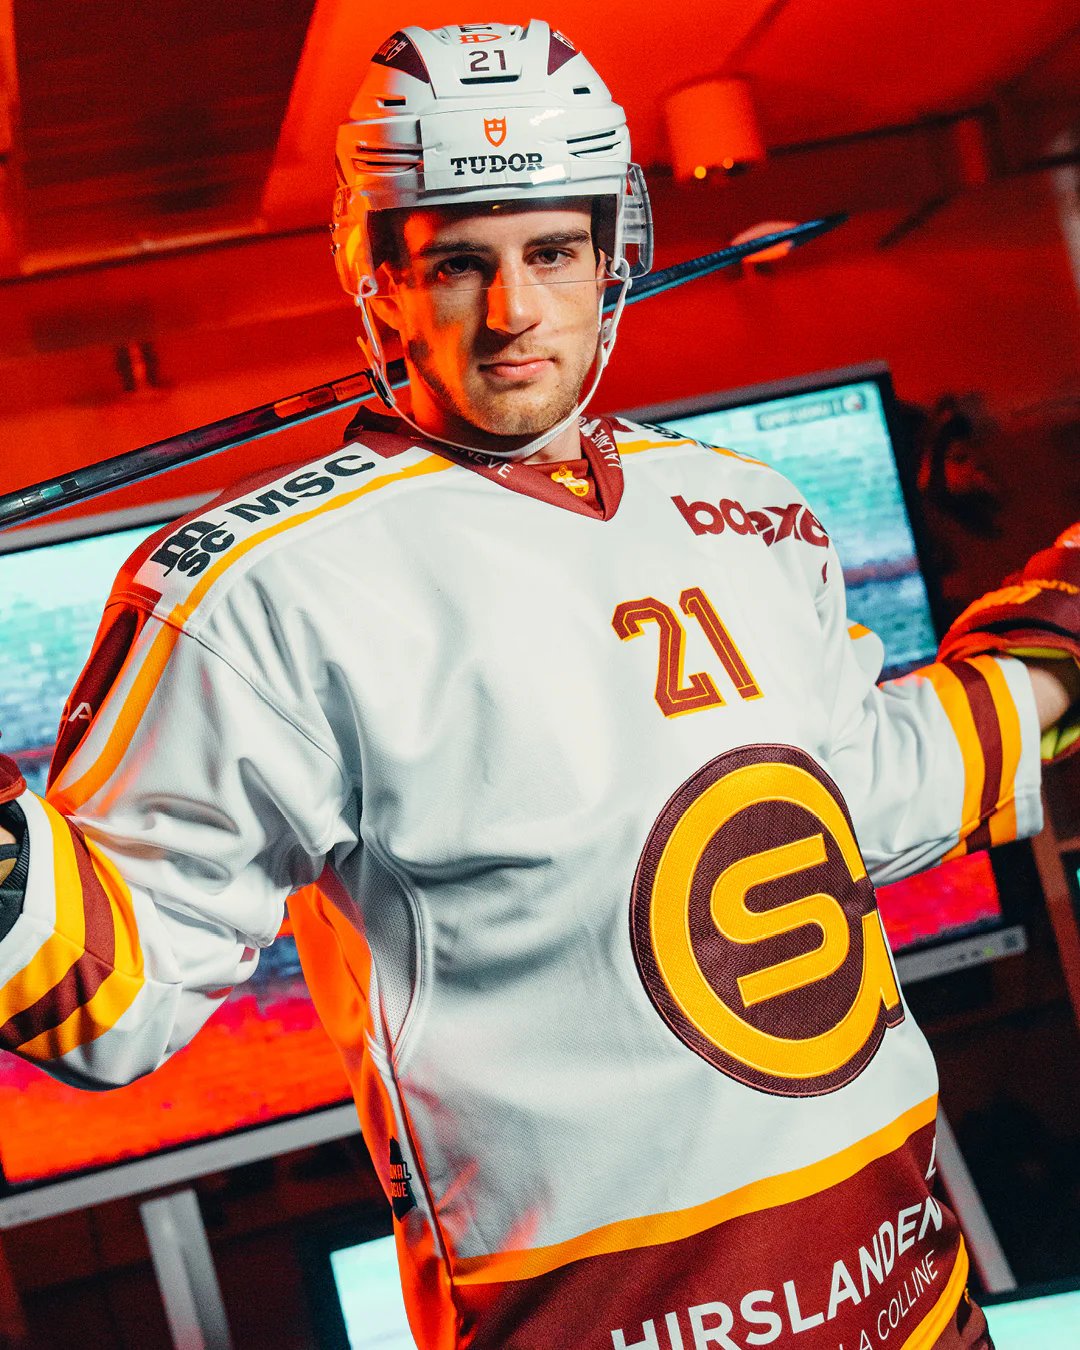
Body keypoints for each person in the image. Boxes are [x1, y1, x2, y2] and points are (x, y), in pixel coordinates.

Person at [1, 20, 1078, 1349]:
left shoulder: (749, 509)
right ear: (380, 283)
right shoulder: (256, 592)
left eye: (552, 252)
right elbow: (114, 999)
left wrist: (1062, 632)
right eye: (459, 262)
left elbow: (853, 792)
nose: (513, 312)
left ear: (615, 256)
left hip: (919, 1303)